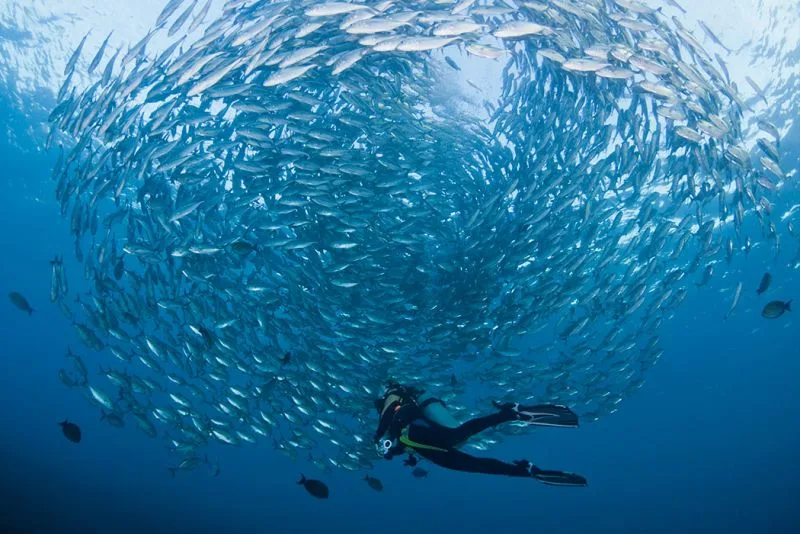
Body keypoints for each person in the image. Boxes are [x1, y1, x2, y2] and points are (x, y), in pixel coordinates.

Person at [373, 382, 587, 486]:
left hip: (419, 430)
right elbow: (400, 441)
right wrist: (394, 449)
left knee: (457, 435)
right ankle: (526, 471)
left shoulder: (393, 397)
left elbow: (398, 416)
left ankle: (509, 413)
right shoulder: (390, 417)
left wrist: (381, 437)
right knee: (472, 465)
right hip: (423, 445)